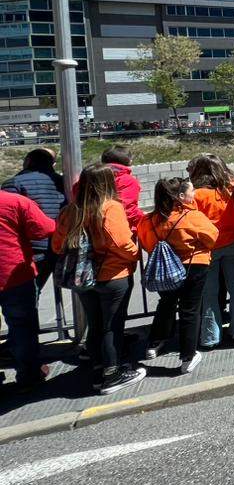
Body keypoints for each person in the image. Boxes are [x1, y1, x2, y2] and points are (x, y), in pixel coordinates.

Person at [52, 164, 144, 394]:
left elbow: (57, 245)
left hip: (83, 278)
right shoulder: (110, 207)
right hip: (112, 274)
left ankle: (98, 368)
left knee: (96, 324)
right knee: (111, 326)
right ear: (108, 183)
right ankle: (113, 374)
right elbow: (121, 242)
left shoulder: (71, 211)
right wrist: (134, 255)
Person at [139, 177, 219, 373]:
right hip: (193, 265)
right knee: (189, 310)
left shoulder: (148, 220)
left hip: (164, 271)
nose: (194, 194)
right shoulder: (192, 216)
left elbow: (146, 242)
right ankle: (187, 357)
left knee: (166, 303)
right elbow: (212, 237)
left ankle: (154, 342)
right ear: (179, 197)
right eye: (191, 191)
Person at [188, 154, 234, 349]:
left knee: (210, 293)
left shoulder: (196, 195)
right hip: (233, 242)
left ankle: (211, 336)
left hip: (208, 248)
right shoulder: (233, 189)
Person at [0, 186, 56, 391]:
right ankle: (29, 375)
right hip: (13, 273)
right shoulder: (15, 202)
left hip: (13, 273)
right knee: (22, 327)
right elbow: (43, 229)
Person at [2, 149, 66, 290]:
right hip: (61, 243)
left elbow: (9, 218)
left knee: (29, 294)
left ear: (28, 161)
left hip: (33, 248)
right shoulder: (63, 182)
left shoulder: (14, 183)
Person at [99, 145, 145, 230]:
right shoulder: (128, 181)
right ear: (128, 161)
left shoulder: (92, 176)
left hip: (95, 229)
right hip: (120, 230)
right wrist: (146, 219)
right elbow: (128, 210)